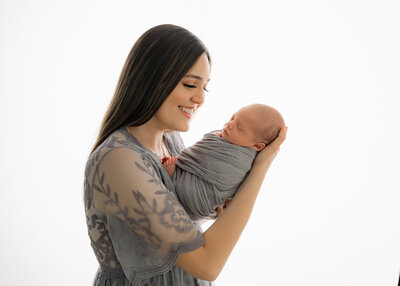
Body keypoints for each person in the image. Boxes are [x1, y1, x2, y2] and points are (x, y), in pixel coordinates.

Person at [83, 24, 287, 286]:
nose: (200, 99)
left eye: (205, 87)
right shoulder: (120, 159)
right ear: (151, 80)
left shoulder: (170, 141)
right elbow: (207, 264)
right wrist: (261, 166)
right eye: (191, 84)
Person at [162, 104, 285, 221]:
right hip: (202, 210)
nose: (230, 125)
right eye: (233, 118)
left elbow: (204, 161)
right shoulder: (224, 140)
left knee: (190, 190)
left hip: (198, 200)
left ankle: (174, 176)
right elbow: (199, 156)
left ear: (257, 146)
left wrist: (212, 139)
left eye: (239, 128)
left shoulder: (241, 161)